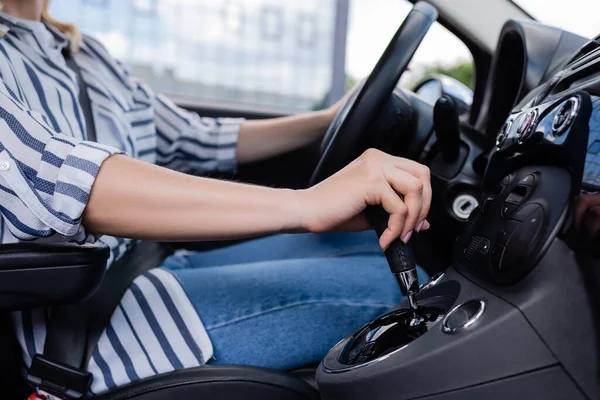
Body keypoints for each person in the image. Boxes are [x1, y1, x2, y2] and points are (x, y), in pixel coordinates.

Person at [0, 0, 432, 395]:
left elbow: (192, 136)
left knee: (368, 244)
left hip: (145, 266)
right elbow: (64, 180)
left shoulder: (82, 53)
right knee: (388, 286)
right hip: (81, 335)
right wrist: (306, 204)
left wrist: (329, 119)